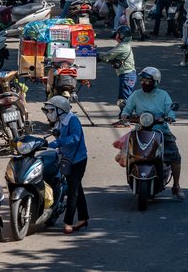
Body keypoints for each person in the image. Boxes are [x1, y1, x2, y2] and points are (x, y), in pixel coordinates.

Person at [121, 67, 183, 200]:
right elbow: (127, 107)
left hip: (161, 130)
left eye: (147, 80)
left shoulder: (163, 95)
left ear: (156, 82)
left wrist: (170, 116)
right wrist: (125, 114)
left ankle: (176, 185)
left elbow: (169, 108)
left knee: (175, 156)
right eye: (142, 80)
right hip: (140, 130)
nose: (144, 83)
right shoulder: (136, 94)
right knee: (130, 153)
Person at [43, 96, 89, 234]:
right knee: (77, 189)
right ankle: (83, 218)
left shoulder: (72, 120)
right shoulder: (59, 121)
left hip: (77, 160)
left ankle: (68, 222)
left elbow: (75, 137)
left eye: (52, 110)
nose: (49, 113)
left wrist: (59, 143)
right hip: (66, 158)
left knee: (72, 191)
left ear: (60, 110)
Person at [98, 26, 136, 114]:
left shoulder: (123, 46)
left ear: (122, 36)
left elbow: (108, 55)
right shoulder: (124, 45)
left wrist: (98, 55)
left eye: (118, 34)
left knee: (124, 99)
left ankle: (125, 118)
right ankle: (124, 115)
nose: (116, 36)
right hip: (128, 75)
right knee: (123, 97)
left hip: (127, 75)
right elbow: (112, 60)